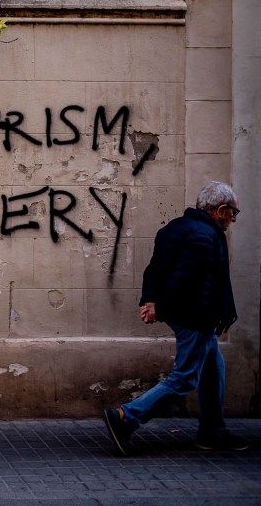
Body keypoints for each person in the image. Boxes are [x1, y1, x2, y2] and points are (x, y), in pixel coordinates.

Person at [102, 181, 247, 455]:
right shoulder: (205, 236)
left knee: (213, 368)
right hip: (196, 316)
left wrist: (149, 300)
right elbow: (183, 279)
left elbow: (155, 270)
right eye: (234, 213)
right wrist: (158, 307)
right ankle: (125, 418)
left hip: (188, 313)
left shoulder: (177, 227)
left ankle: (212, 431)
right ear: (221, 210)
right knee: (184, 378)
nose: (233, 220)